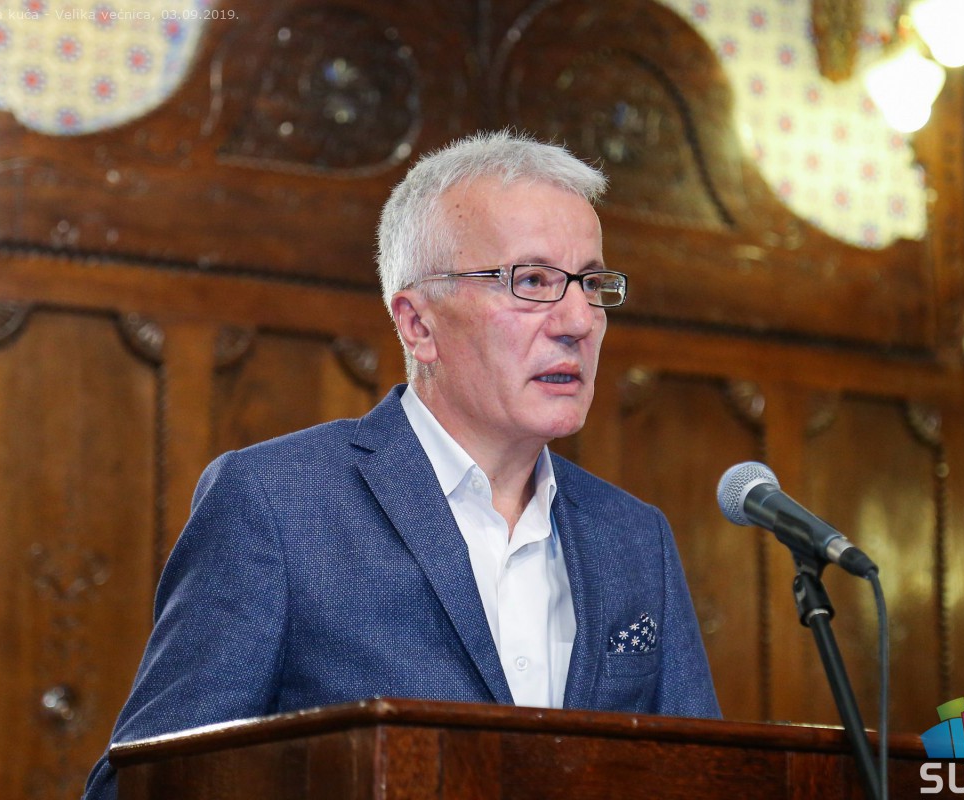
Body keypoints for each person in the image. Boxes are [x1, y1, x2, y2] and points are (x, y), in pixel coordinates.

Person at [83, 130, 720, 800]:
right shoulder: (274, 504)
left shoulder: (634, 537)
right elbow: (139, 788)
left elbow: (707, 780)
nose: (579, 322)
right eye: (532, 281)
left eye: (591, 284)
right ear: (418, 325)